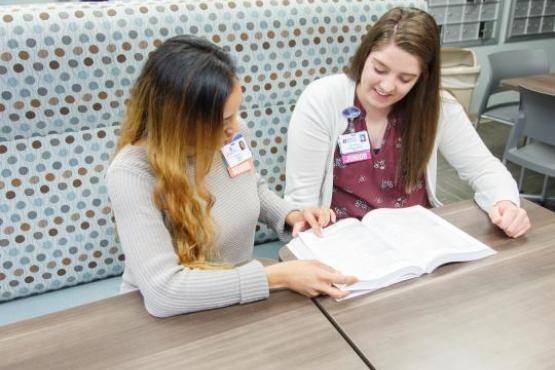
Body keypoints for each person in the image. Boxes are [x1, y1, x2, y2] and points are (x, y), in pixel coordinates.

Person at [106, 35, 356, 317]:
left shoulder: (229, 137)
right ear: (179, 122)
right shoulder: (131, 175)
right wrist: (278, 277)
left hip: (237, 296)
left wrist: (292, 215)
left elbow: (250, 186)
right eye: (224, 120)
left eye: (235, 113)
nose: (236, 127)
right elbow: (165, 292)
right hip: (168, 316)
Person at [285, 7, 531, 238]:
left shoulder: (438, 108)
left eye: (405, 78)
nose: (387, 86)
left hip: (415, 238)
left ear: (422, 78)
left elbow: (485, 169)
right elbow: (301, 202)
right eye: (380, 69)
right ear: (365, 55)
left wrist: (505, 204)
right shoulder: (322, 99)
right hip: (345, 239)